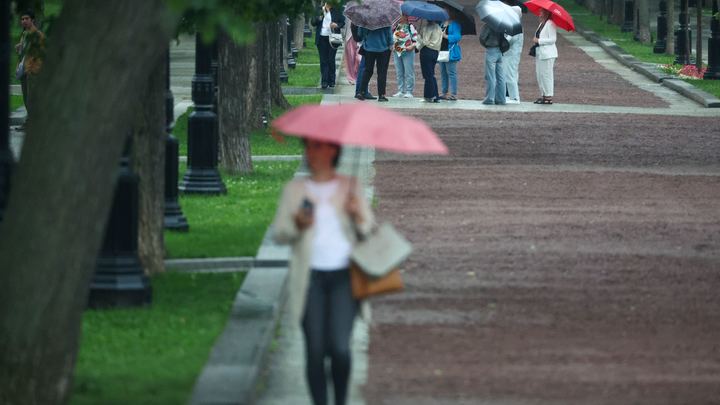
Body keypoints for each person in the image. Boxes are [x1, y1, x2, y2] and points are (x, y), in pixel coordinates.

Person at [272, 139, 374, 405]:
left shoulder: (350, 186)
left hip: (344, 278)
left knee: (340, 348)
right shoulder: (295, 191)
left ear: (332, 151)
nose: (311, 153)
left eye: (317, 147)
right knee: (315, 350)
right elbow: (280, 234)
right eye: (308, 147)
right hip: (310, 280)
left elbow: (368, 232)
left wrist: (357, 215)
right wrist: (296, 224)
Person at [15, 10, 45, 128]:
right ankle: (31, 123)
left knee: (31, 98)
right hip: (24, 71)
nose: (24, 21)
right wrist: (19, 48)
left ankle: (33, 124)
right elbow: (23, 53)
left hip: (32, 71)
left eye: (26, 19)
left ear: (32, 20)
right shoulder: (24, 34)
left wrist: (32, 69)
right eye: (22, 19)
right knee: (26, 98)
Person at [311, 2, 345, 89]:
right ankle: (324, 81)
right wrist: (319, 18)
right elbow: (313, 23)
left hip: (333, 38)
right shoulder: (319, 10)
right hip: (322, 38)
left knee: (331, 59)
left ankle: (332, 81)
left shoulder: (336, 10)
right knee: (323, 60)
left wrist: (336, 25)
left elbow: (342, 22)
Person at [356, 25, 393, 102]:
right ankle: (381, 95)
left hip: (369, 48)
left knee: (367, 71)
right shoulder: (385, 19)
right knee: (382, 72)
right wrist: (390, 43)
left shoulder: (366, 20)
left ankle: (361, 92)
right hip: (383, 48)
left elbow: (360, 33)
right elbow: (389, 33)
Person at [479, 23, 507, 105]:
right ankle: (501, 99)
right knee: (501, 77)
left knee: (490, 76)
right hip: (500, 50)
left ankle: (489, 98)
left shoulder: (488, 25)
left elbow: (482, 38)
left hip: (491, 50)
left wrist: (486, 44)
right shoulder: (502, 24)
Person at [533, 9, 557, 104]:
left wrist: (539, 41)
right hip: (541, 53)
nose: (539, 14)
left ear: (546, 13)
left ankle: (548, 96)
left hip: (548, 54)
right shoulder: (542, 24)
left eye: (541, 12)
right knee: (540, 74)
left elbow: (552, 39)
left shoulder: (550, 24)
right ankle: (543, 94)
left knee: (547, 75)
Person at [416, 19, 443, 103]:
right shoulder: (439, 27)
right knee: (431, 74)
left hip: (427, 51)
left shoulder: (428, 27)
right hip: (435, 52)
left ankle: (429, 96)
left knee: (428, 75)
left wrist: (418, 37)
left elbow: (425, 41)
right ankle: (435, 96)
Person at [391, 15, 417, 98]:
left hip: (407, 52)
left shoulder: (410, 26)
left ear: (405, 16)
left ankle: (409, 91)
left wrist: (412, 46)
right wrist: (392, 45)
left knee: (408, 72)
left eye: (401, 15)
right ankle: (401, 90)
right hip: (397, 52)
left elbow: (416, 39)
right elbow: (393, 38)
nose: (399, 17)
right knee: (399, 72)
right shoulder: (396, 26)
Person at [502, 2, 523, 103]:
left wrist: (503, 37)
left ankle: (514, 97)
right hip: (508, 55)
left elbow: (510, 40)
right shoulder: (514, 25)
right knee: (507, 75)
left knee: (511, 76)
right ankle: (508, 95)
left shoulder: (516, 26)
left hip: (512, 55)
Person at [438, 14, 462, 101]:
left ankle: (453, 94)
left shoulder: (455, 24)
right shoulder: (441, 24)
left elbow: (458, 37)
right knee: (443, 73)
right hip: (441, 51)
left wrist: (446, 36)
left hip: (451, 51)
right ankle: (444, 92)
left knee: (451, 73)